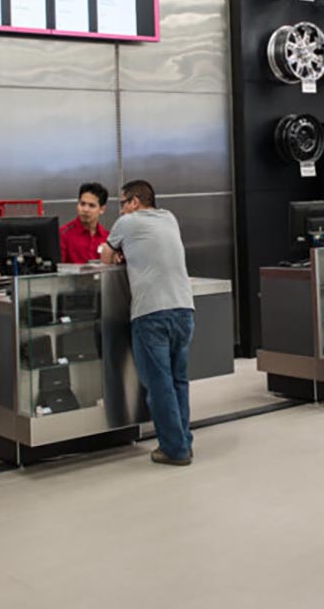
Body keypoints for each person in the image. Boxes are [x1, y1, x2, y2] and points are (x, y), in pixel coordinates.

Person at [101, 179, 194, 466]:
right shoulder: (169, 218)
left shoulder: (127, 223)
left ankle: (174, 450)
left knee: (159, 385)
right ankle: (182, 442)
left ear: (135, 202)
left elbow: (105, 256)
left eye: (122, 203)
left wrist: (117, 253)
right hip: (184, 310)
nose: (120, 210)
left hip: (151, 313)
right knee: (178, 381)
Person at [60, 182, 110, 263]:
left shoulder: (108, 238)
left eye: (91, 205)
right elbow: (58, 269)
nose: (85, 209)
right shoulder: (63, 234)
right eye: (82, 204)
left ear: (102, 209)